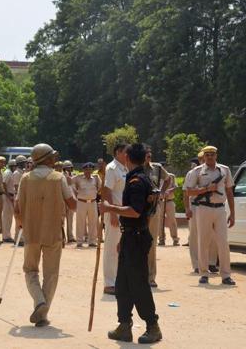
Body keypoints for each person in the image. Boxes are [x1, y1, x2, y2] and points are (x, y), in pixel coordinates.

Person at [101, 143, 162, 344]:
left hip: (136, 237)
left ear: (127, 157)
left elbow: (135, 211)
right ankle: (124, 325)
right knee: (122, 284)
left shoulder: (136, 181)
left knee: (138, 284)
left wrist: (111, 208)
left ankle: (152, 326)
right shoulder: (140, 177)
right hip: (131, 236)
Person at [16, 143, 76, 327]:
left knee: (30, 270)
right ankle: (43, 310)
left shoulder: (25, 179)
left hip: (31, 232)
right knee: (51, 274)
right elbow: (72, 203)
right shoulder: (59, 178)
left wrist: (21, 223)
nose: (55, 159)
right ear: (47, 159)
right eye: (52, 157)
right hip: (53, 233)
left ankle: (39, 301)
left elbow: (17, 208)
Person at [185, 145, 236, 285]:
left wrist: (232, 214)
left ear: (216, 155)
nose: (209, 157)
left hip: (220, 209)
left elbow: (230, 192)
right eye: (207, 155)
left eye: (212, 154)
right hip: (203, 208)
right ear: (204, 156)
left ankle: (226, 275)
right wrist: (206, 189)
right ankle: (203, 273)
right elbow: (189, 192)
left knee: (223, 242)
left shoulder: (224, 170)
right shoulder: (197, 171)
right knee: (203, 241)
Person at [183, 155, 218, 273]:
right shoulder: (192, 173)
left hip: (211, 205)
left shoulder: (216, 171)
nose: (206, 160)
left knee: (212, 235)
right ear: (200, 160)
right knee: (195, 236)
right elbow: (185, 192)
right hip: (195, 205)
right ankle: (197, 264)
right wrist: (187, 208)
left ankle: (211, 262)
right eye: (203, 158)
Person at [102, 143, 128, 295]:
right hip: (114, 212)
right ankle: (109, 283)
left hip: (124, 211)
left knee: (122, 248)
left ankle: (119, 280)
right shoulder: (112, 168)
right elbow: (106, 191)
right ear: (118, 152)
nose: (128, 154)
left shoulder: (125, 168)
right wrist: (112, 213)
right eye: (126, 152)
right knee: (112, 248)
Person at [143, 146, 171, 287]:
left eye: (150, 154)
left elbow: (168, 179)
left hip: (154, 207)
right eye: (146, 154)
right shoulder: (136, 168)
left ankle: (151, 277)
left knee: (152, 242)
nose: (148, 157)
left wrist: (161, 192)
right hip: (139, 207)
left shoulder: (158, 168)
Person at [73, 162, 101, 247]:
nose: (88, 171)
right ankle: (79, 241)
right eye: (86, 169)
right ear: (83, 170)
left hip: (92, 202)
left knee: (93, 222)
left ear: (92, 170)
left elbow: (100, 187)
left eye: (90, 169)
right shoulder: (78, 178)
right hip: (81, 202)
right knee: (80, 222)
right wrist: (75, 193)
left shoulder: (96, 178)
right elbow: (70, 183)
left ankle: (92, 241)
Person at [160, 172, 180, 246]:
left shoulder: (171, 176)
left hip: (170, 201)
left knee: (172, 220)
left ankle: (175, 239)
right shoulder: (158, 175)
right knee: (160, 221)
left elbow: (176, 186)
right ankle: (161, 239)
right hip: (160, 202)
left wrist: (169, 191)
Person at [1, 159, 17, 242]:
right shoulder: (8, 172)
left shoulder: (10, 172)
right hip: (8, 196)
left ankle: (7, 235)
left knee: (9, 216)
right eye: (15, 166)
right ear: (12, 166)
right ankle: (6, 236)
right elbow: (4, 183)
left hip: (10, 195)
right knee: (7, 217)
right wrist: (8, 195)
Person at [62, 160, 76, 242]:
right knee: (62, 219)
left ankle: (70, 236)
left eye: (70, 168)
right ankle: (62, 236)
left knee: (70, 219)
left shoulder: (74, 176)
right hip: (64, 200)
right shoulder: (61, 176)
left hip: (71, 199)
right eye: (66, 168)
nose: (68, 169)